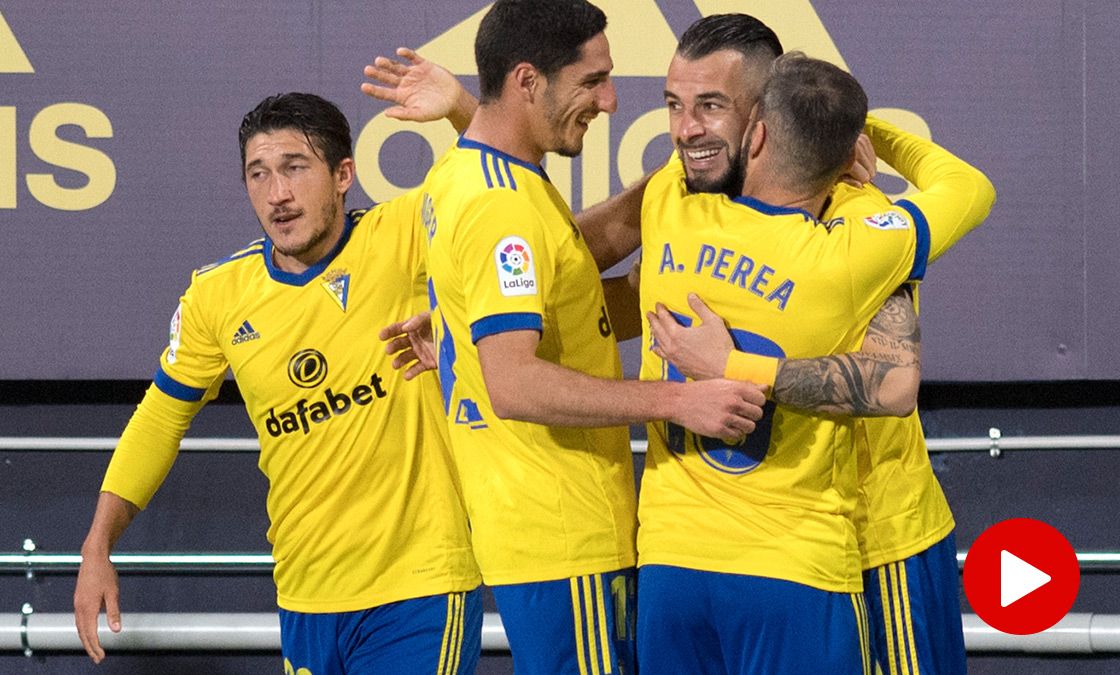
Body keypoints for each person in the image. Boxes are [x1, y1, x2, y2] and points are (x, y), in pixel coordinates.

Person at [623, 15, 989, 674]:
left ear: (759, 122)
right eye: (675, 107)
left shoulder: (674, 204)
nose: (687, 130)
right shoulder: (862, 228)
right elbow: (895, 383)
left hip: (882, 533)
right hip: (798, 560)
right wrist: (854, 138)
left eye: (712, 106)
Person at [409, 1, 768, 673]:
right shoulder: (501, 206)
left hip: (540, 533)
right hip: (565, 532)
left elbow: (572, 288)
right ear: (527, 81)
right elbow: (513, 382)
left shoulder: (474, 175)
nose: (608, 100)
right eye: (592, 79)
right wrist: (677, 402)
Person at [72, 92, 484, 675]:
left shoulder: (406, 234)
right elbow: (160, 420)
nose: (277, 195)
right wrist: (97, 545)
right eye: (258, 174)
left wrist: (463, 105)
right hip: (304, 598)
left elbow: (497, 182)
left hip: (420, 589)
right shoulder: (218, 295)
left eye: (295, 168)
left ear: (344, 175)